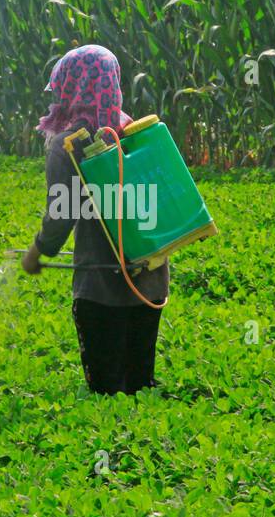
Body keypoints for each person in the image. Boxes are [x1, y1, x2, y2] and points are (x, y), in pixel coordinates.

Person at [21, 44, 170, 395]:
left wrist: (38, 251)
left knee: (107, 391)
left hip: (100, 287)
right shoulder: (137, 133)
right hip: (149, 279)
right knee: (139, 387)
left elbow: (62, 213)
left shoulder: (70, 143)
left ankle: (109, 444)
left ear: (73, 86)